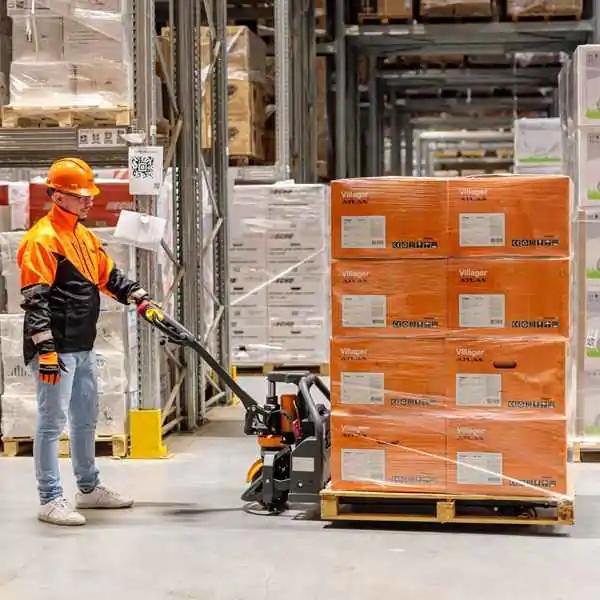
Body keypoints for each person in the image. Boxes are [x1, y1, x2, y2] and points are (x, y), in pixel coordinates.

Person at [17, 157, 152, 526]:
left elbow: (107, 276)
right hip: (56, 351)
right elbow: (34, 300)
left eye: (89, 195)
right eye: (81, 196)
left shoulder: (84, 236)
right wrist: (46, 351)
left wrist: (136, 294)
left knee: (84, 420)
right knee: (51, 423)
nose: (89, 200)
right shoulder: (42, 240)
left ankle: (88, 488)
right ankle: (49, 499)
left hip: (82, 346)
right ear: (58, 196)